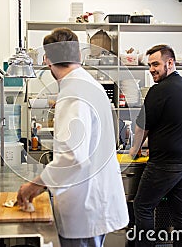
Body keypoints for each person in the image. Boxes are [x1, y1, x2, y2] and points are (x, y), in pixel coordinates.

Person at [17, 27, 129, 247]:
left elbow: (72, 156)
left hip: (84, 206)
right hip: (93, 199)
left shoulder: (73, 93)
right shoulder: (88, 84)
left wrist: (35, 185)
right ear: (79, 56)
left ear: (47, 60)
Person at [129, 44, 182, 247]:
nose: (151, 69)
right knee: (180, 213)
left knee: (142, 207)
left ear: (170, 63)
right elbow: (171, 125)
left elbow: (142, 126)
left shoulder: (159, 90)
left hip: (166, 164)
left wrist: (134, 151)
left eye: (156, 64)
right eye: (149, 65)